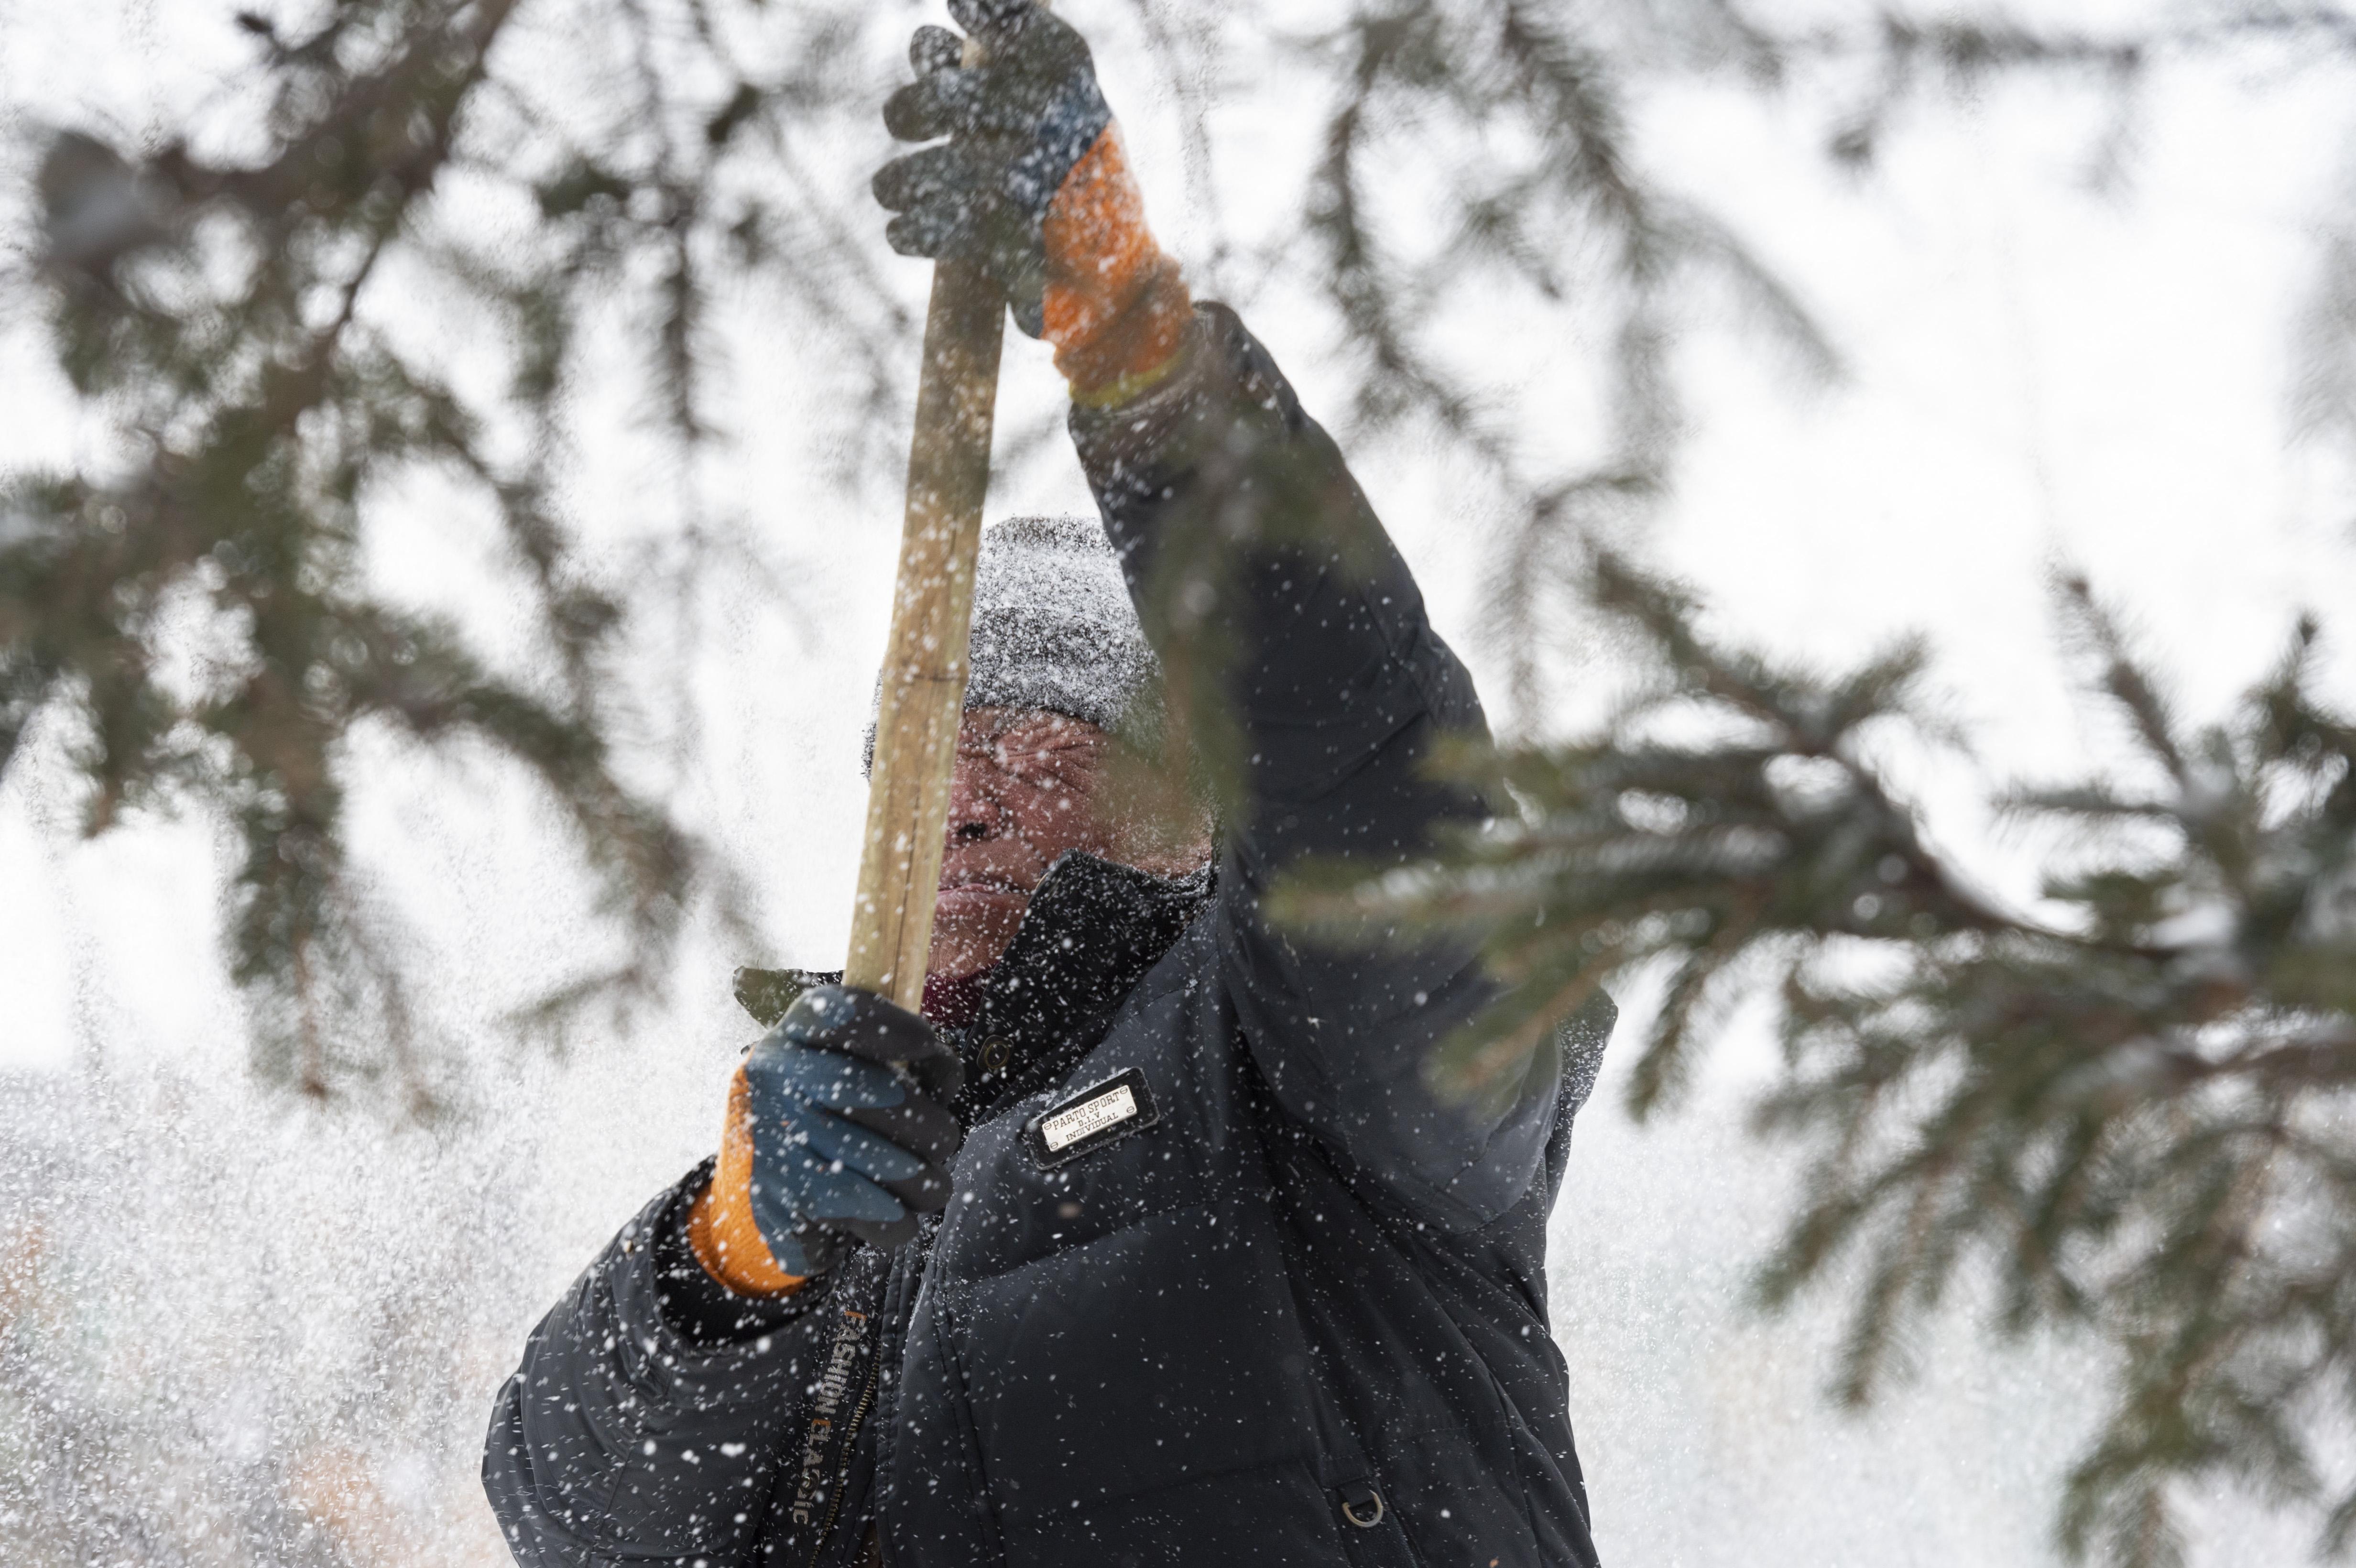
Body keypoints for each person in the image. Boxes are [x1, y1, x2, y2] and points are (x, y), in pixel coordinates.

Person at [481, 3, 1614, 1564]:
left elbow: (1363, 786)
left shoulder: (1312, 1078)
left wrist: (1141, 352)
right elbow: (565, 1510)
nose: (960, 799)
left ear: (1199, 809)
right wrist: (726, 1263)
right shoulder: (842, 1176)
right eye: (926, 763)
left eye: (1043, 747)